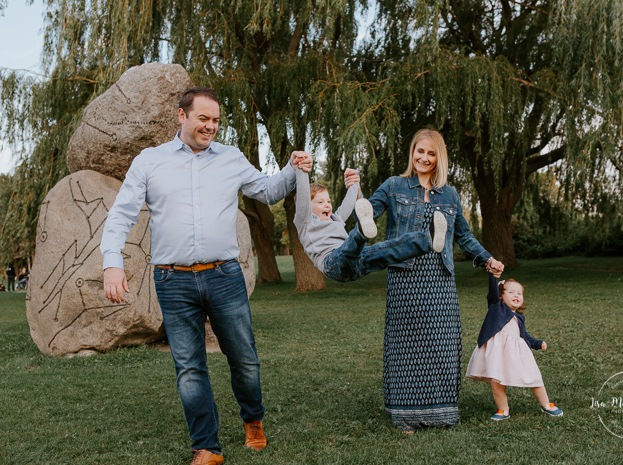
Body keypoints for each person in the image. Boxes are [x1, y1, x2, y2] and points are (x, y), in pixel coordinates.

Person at [100, 86, 313, 465]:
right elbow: (121, 214)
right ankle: (207, 448)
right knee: (189, 368)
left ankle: (253, 420)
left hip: (225, 276)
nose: (210, 126)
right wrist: (112, 261)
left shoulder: (231, 159)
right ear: (181, 117)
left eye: (215, 120)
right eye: (203, 118)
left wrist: (292, 169)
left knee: (244, 359)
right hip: (172, 280)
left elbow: (266, 191)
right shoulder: (149, 161)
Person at [365, 128, 504, 433]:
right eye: (420, 151)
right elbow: (366, 217)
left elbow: (464, 236)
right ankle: (405, 416)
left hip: (440, 276)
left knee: (442, 343)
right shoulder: (393, 186)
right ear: (411, 151)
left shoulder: (450, 195)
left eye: (431, 153)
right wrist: (355, 201)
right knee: (406, 345)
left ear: (438, 157)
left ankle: (442, 412)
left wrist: (487, 258)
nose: (424, 158)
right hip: (405, 275)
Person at [293, 168, 447, 282]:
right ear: (308, 206)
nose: (327, 205)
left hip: (357, 262)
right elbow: (302, 197)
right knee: (348, 248)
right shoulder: (305, 221)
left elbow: (350, 201)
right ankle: (362, 230)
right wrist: (301, 170)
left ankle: (428, 240)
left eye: (328, 201)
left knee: (388, 250)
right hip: (332, 263)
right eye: (320, 202)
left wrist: (355, 181)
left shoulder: (336, 218)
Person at [465, 274, 563, 420]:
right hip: (497, 354)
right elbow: (492, 291)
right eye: (510, 292)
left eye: (519, 293)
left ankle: (546, 404)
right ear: (500, 296)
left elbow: (524, 336)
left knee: (534, 377)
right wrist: (493, 276)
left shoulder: (519, 318)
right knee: (496, 382)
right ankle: (503, 410)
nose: (516, 295)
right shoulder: (496, 308)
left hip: (517, 354)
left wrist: (536, 343)